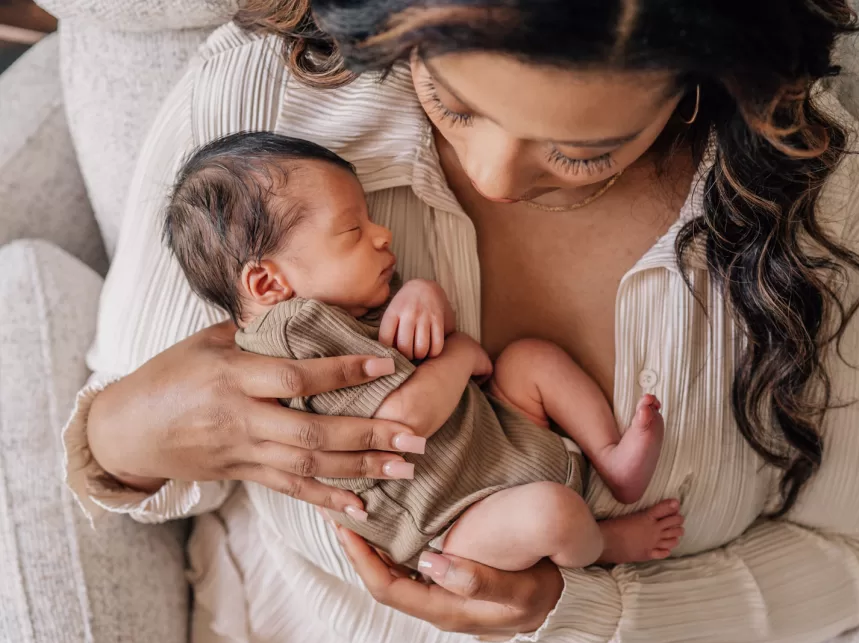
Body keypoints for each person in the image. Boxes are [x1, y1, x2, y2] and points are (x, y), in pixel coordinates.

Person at [63, 0, 859, 643]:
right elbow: (138, 477)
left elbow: (854, 552)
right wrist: (131, 429)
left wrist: (586, 610)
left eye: (583, 150)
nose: (490, 176)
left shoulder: (822, 202)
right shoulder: (261, 124)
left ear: (702, 77)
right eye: (452, 100)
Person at [164, 130, 678, 570]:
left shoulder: (339, 303)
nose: (383, 234)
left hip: (492, 438)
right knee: (555, 515)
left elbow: (418, 347)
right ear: (268, 282)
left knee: (529, 359)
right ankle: (607, 541)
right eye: (353, 230)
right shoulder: (293, 333)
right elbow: (398, 429)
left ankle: (612, 459)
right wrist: (458, 355)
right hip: (451, 521)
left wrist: (422, 297)